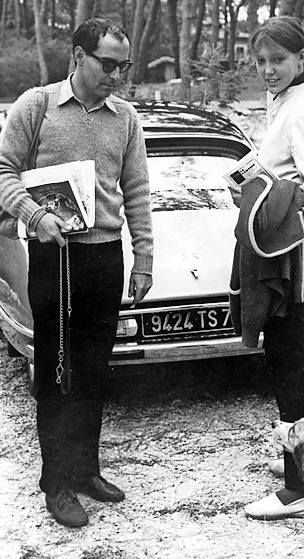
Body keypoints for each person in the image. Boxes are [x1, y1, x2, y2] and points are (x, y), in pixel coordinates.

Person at [0, 18, 153, 528]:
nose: (116, 76)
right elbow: (2, 170)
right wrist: (34, 215)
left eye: (123, 67)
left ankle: (86, 470)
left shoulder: (125, 117)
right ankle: (57, 482)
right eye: (107, 64)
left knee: (93, 370)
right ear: (78, 56)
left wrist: (144, 259)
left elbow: (137, 192)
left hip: (104, 257)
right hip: (55, 257)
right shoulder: (36, 105)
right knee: (55, 369)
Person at [229, 16, 304, 520]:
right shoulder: (284, 101)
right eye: (261, 61)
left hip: (295, 253)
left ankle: (301, 489)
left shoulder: (303, 111)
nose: (268, 69)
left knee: (289, 359)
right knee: (301, 352)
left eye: (278, 60)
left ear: (302, 58)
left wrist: (267, 204)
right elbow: (284, 172)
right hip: (285, 250)